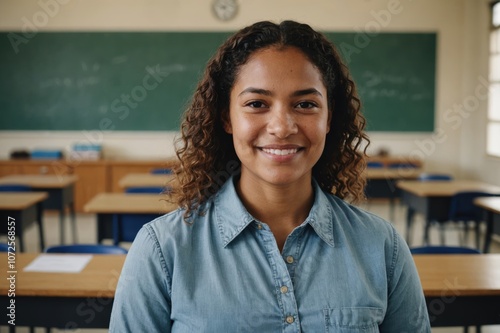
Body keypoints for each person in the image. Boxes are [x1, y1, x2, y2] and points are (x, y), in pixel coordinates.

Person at [110, 20, 431, 332]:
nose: (282, 126)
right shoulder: (163, 249)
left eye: (305, 104)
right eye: (257, 103)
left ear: (329, 118)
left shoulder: (382, 246)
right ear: (227, 118)